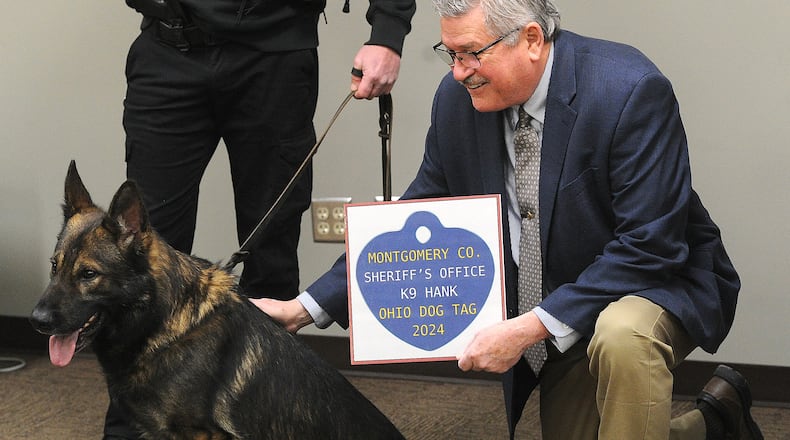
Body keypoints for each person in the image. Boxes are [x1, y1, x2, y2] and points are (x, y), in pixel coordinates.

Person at [254, 1, 765, 439]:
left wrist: (526, 329)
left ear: (532, 39)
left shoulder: (628, 90)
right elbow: (416, 217)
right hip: (561, 312)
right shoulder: (457, 100)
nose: (458, 71)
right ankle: (716, 421)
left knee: (622, 333)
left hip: (655, 284)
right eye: (450, 54)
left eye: (472, 53)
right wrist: (303, 309)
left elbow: (650, 246)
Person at [106, 1, 415, 438]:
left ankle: (268, 425)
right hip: (165, 48)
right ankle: (127, 430)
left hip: (275, 53)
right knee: (139, 262)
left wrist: (387, 31)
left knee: (271, 261)